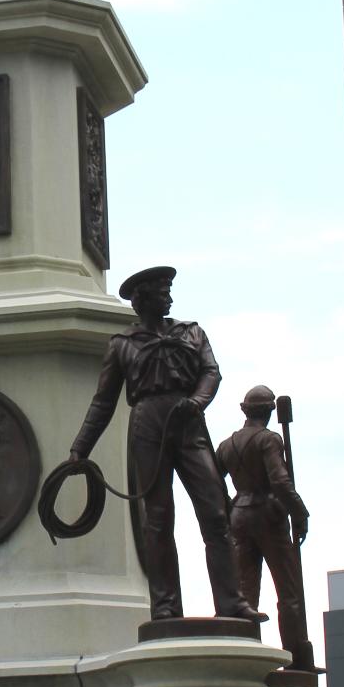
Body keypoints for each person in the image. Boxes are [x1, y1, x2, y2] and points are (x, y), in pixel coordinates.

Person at [69, 265, 264, 622]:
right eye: (162, 292)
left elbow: (211, 371)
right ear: (142, 299)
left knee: (216, 512)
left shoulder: (191, 332)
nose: (170, 297)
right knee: (157, 519)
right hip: (147, 423)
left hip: (188, 421)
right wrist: (80, 449)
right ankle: (165, 605)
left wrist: (197, 402)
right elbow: (103, 402)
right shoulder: (122, 345)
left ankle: (231, 601)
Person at [216, 386, 315, 671]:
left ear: (245, 410)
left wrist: (230, 507)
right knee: (289, 590)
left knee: (245, 592)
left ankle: (245, 654)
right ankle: (297, 658)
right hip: (269, 516)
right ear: (270, 412)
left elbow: (212, 482)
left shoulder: (227, 445)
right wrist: (300, 512)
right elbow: (281, 483)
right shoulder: (270, 440)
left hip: (240, 517)